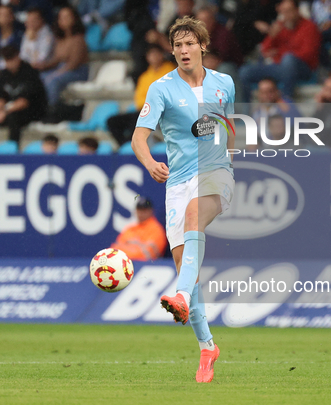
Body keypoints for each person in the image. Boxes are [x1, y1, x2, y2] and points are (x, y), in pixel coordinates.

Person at [131, 16, 235, 383]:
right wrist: (149, 162)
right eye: (177, 45)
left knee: (194, 218)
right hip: (177, 180)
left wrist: (225, 153)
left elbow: (228, 124)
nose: (183, 50)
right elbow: (139, 137)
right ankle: (207, 347)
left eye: (190, 43)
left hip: (215, 174)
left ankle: (180, 297)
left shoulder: (224, 83)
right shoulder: (161, 89)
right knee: (186, 269)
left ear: (203, 46)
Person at [239, 0, 321, 102]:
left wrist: (282, 55)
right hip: (279, 68)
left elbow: (309, 54)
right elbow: (264, 50)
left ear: (297, 10)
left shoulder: (309, 26)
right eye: (283, 12)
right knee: (244, 71)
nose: (286, 15)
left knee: (288, 59)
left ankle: (286, 103)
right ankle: (246, 110)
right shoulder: (279, 26)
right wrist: (272, 36)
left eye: (289, 11)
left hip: (302, 68)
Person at [107, 44, 175, 146]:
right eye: (151, 55)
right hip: (145, 109)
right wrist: (146, 105)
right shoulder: (144, 76)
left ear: (162, 55)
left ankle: (136, 146)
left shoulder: (171, 71)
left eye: (156, 54)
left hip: (161, 110)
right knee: (113, 121)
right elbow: (138, 97)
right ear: (147, 57)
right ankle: (126, 145)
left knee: (136, 123)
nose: (154, 57)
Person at [0, 45, 47, 147]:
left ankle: (13, 148)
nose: (9, 63)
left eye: (11, 59)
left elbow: (24, 101)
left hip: (31, 110)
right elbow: (1, 97)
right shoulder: (4, 74)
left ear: (17, 57)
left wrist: (5, 111)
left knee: (13, 117)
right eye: (6, 60)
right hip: (11, 108)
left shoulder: (30, 72)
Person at [34, 6, 89, 107]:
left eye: (67, 17)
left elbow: (74, 63)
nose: (63, 20)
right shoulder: (59, 39)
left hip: (77, 71)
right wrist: (44, 65)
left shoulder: (78, 39)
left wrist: (57, 73)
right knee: (40, 78)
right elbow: (57, 59)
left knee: (53, 80)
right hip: (61, 68)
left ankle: (51, 107)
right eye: (61, 17)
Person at [110, 196, 168, 261]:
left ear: (151, 211)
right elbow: (114, 250)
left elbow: (148, 254)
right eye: (139, 210)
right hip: (125, 265)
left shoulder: (156, 229)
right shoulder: (130, 229)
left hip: (147, 267)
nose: (141, 213)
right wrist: (139, 247)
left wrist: (128, 248)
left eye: (144, 210)